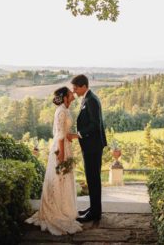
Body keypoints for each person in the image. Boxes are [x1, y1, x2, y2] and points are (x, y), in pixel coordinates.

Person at [25, 87, 83, 235]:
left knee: (64, 179)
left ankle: (64, 209)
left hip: (65, 146)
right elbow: (60, 136)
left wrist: (80, 135)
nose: (73, 95)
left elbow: (66, 134)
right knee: (59, 178)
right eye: (70, 94)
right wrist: (62, 155)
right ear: (64, 97)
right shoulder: (62, 111)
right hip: (60, 149)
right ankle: (56, 212)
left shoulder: (65, 109)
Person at [68, 74, 107, 222]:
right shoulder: (87, 98)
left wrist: (77, 135)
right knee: (91, 179)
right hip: (91, 146)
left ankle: (95, 214)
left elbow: (95, 125)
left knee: (93, 179)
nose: (74, 91)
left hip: (93, 147)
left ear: (83, 86)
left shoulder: (91, 100)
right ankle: (93, 208)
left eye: (75, 88)